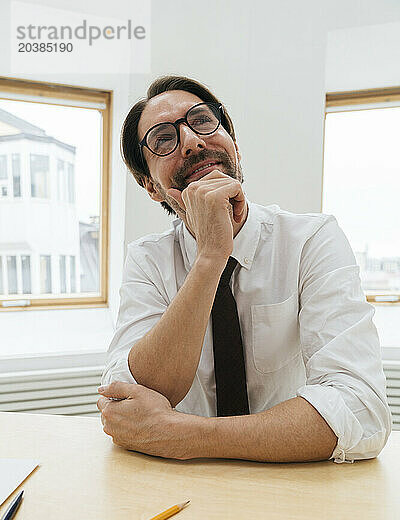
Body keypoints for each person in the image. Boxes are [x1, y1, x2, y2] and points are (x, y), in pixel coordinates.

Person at [97, 75, 392, 464]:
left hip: (291, 481)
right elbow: (129, 398)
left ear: (234, 146)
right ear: (150, 186)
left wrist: (186, 436)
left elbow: (361, 409)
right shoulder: (148, 259)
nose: (191, 141)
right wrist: (211, 256)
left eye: (202, 120)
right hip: (181, 487)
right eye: (163, 139)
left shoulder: (311, 239)